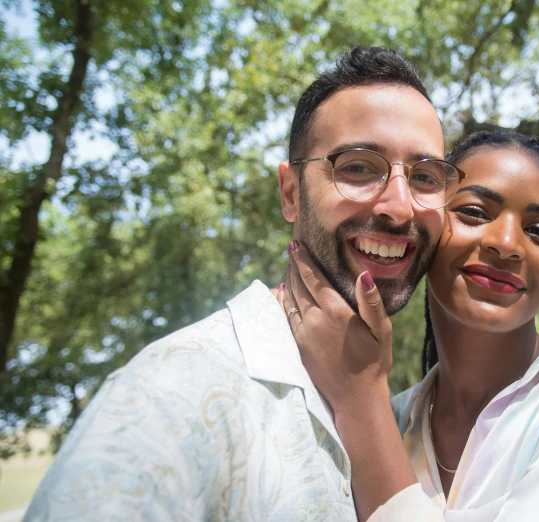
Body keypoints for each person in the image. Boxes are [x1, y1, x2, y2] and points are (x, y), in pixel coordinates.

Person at [23, 46, 464, 522]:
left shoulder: (409, 418)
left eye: (424, 177)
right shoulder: (171, 396)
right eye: (357, 166)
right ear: (291, 193)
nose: (399, 208)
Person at [284, 130, 539, 521]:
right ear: (425, 229)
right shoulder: (396, 419)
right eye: (474, 212)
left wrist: (360, 394)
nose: (507, 243)